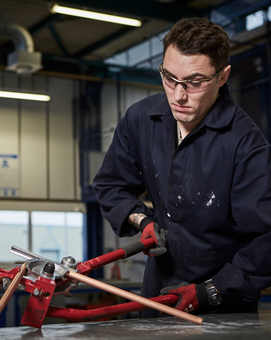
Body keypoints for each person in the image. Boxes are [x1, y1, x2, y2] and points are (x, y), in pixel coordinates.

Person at [92, 17, 271, 317]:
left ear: (222, 77)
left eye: (195, 82)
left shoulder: (245, 143)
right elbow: (110, 185)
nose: (178, 95)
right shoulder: (140, 120)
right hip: (155, 298)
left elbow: (267, 240)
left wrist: (210, 290)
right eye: (169, 78)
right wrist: (142, 221)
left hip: (221, 312)